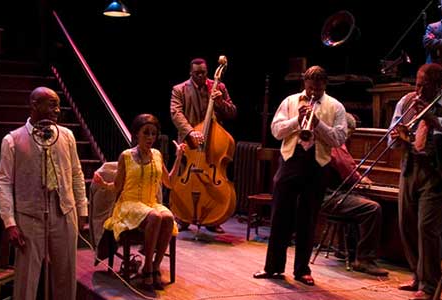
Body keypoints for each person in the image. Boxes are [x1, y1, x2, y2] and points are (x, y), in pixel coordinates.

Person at [253, 65, 347, 286]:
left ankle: (302, 270)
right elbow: (276, 131)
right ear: (304, 82)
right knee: (279, 217)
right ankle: (273, 267)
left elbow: (338, 139)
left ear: (325, 84)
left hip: (318, 164)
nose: (313, 91)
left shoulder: (336, 106)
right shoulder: (290, 101)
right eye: (310, 86)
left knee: (308, 218)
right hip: (290, 160)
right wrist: (298, 121)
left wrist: (317, 124)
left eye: (318, 87)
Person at [0, 87, 88, 300]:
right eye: (51, 104)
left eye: (58, 105)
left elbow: (76, 173)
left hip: (64, 211)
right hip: (30, 216)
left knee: (65, 274)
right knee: (27, 277)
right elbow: (4, 182)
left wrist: (82, 208)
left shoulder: (66, 136)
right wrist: (10, 222)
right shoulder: (13, 140)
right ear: (34, 105)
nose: (57, 110)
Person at [389, 63, 442, 300]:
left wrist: (435, 120)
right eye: (417, 84)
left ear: (438, 85)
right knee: (406, 224)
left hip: (437, 171)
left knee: (427, 228)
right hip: (410, 167)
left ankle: (430, 285)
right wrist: (398, 136)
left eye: (424, 86)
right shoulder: (406, 101)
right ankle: (418, 274)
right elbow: (391, 138)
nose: (419, 90)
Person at [94, 114, 184, 290]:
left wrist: (179, 157)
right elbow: (118, 186)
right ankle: (148, 267)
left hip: (150, 203)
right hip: (129, 204)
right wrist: (103, 184)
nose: (150, 137)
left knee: (167, 216)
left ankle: (155, 266)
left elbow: (170, 183)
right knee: (156, 217)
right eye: (146, 133)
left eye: (153, 134)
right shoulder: (126, 156)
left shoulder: (157, 155)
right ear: (136, 135)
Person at [170, 57, 237, 234]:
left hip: (214, 141)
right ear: (190, 73)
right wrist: (190, 131)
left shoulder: (218, 87)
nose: (201, 76)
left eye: (204, 73)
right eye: (197, 73)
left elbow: (232, 112)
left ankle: (212, 219)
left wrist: (221, 102)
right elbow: (176, 113)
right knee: (185, 176)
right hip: (190, 141)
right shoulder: (179, 89)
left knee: (212, 176)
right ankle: (183, 216)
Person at [322, 113, 388, 277]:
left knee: (362, 202)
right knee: (372, 208)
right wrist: (361, 178)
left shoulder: (327, 137)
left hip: (326, 194)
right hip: (329, 197)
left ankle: (348, 251)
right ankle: (364, 260)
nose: (348, 138)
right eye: (349, 133)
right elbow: (347, 169)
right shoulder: (336, 142)